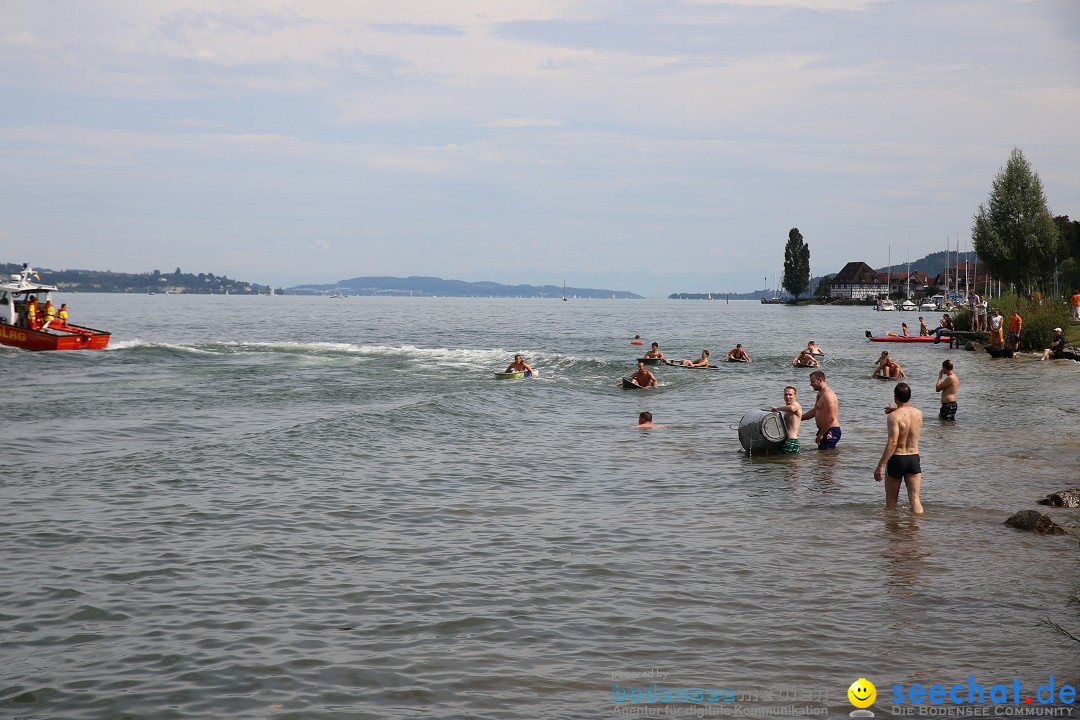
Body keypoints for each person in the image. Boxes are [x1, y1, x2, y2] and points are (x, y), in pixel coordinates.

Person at [875, 382, 924, 514]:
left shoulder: (893, 417)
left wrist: (880, 465)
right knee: (915, 498)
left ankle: (892, 531)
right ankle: (916, 529)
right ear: (910, 396)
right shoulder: (919, 413)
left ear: (895, 397)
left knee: (892, 500)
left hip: (897, 459)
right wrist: (897, 409)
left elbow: (893, 442)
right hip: (913, 458)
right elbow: (907, 415)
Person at [802, 370, 840, 450]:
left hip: (831, 430)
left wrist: (821, 434)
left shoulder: (827, 395)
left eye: (812, 382)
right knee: (823, 457)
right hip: (825, 430)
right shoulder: (820, 393)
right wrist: (799, 418)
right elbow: (814, 411)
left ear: (820, 380)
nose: (810, 384)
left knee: (827, 458)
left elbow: (831, 418)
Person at [770, 386, 802, 454]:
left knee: (777, 460)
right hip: (791, 441)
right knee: (792, 463)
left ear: (795, 396)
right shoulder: (787, 408)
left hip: (791, 441)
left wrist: (777, 408)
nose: (788, 397)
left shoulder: (796, 405)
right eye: (786, 394)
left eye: (790, 394)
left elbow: (792, 408)